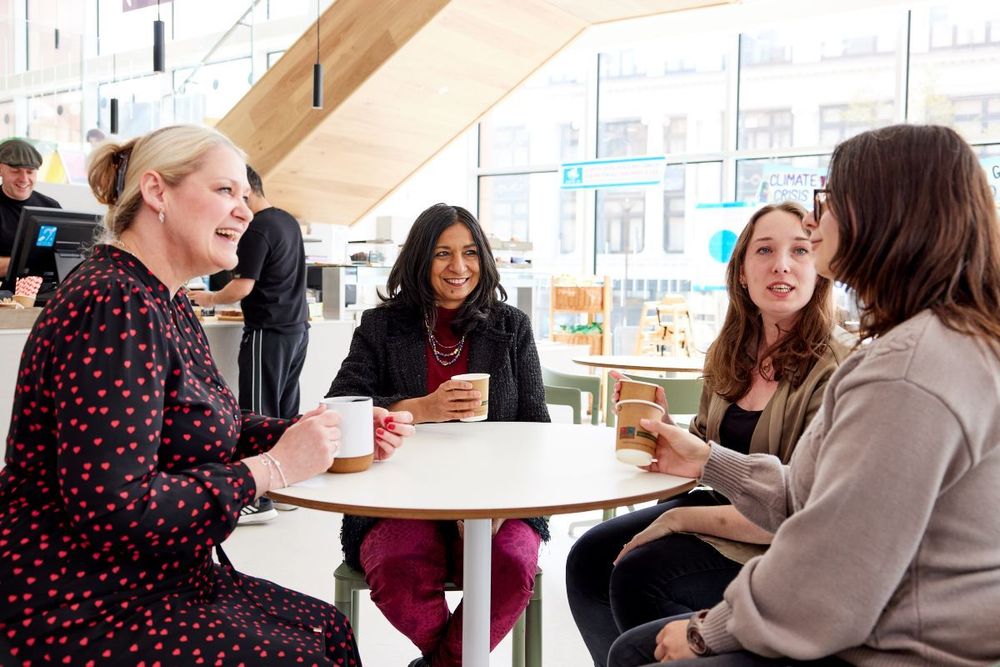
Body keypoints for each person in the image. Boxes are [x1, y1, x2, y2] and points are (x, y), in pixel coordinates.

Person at [0, 124, 415, 665]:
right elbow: (114, 510)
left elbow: (214, 421)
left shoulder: (165, 300)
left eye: (245, 195)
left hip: (158, 579)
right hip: (79, 601)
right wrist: (270, 470)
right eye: (225, 191)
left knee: (330, 629)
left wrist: (319, 435)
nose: (244, 210)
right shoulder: (112, 303)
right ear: (156, 193)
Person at [608, 124, 1000, 666]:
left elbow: (835, 565)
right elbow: (814, 495)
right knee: (615, 593)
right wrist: (707, 459)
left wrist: (706, 633)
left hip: (906, 645)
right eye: (764, 250)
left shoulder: (904, 371)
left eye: (831, 200)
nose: (815, 223)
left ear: (882, 215)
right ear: (741, 273)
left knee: (638, 641)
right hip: (880, 614)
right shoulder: (928, 343)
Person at [567, 202, 854, 667]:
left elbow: (803, 508)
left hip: (779, 539)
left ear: (819, 269)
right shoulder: (732, 348)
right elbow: (709, 454)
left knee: (640, 574)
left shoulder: (836, 366)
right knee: (589, 557)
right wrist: (664, 428)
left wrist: (680, 520)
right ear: (742, 271)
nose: (781, 263)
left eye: (799, 250)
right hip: (723, 509)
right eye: (765, 249)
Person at [327, 202, 550, 667]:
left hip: (497, 499)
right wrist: (421, 409)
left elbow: (536, 428)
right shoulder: (382, 326)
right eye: (442, 254)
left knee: (509, 565)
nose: (459, 267)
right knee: (396, 566)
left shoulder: (511, 326)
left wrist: (505, 504)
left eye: (470, 253)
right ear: (419, 259)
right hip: (400, 497)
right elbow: (343, 403)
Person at [191, 164, 310, 523]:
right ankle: (286, 489)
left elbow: (243, 285)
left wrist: (205, 299)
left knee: (257, 416)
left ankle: (258, 501)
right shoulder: (288, 220)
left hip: (268, 332)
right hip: (297, 330)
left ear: (247, 190)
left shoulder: (259, 227)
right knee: (284, 414)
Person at [0, 138, 61, 277]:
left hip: (44, 290)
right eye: (15, 171)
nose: (24, 179)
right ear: (0, 169)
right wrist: (32, 263)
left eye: (30, 172)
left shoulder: (51, 207)